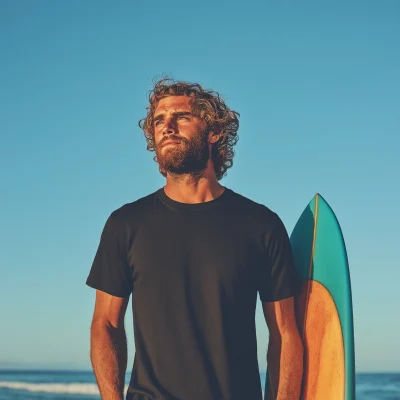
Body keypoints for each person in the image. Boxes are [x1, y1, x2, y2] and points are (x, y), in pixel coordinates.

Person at [86, 77, 304, 400]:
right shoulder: (125, 225)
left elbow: (285, 335)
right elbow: (105, 324)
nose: (167, 127)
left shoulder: (261, 226)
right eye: (159, 120)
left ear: (214, 132)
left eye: (181, 117)